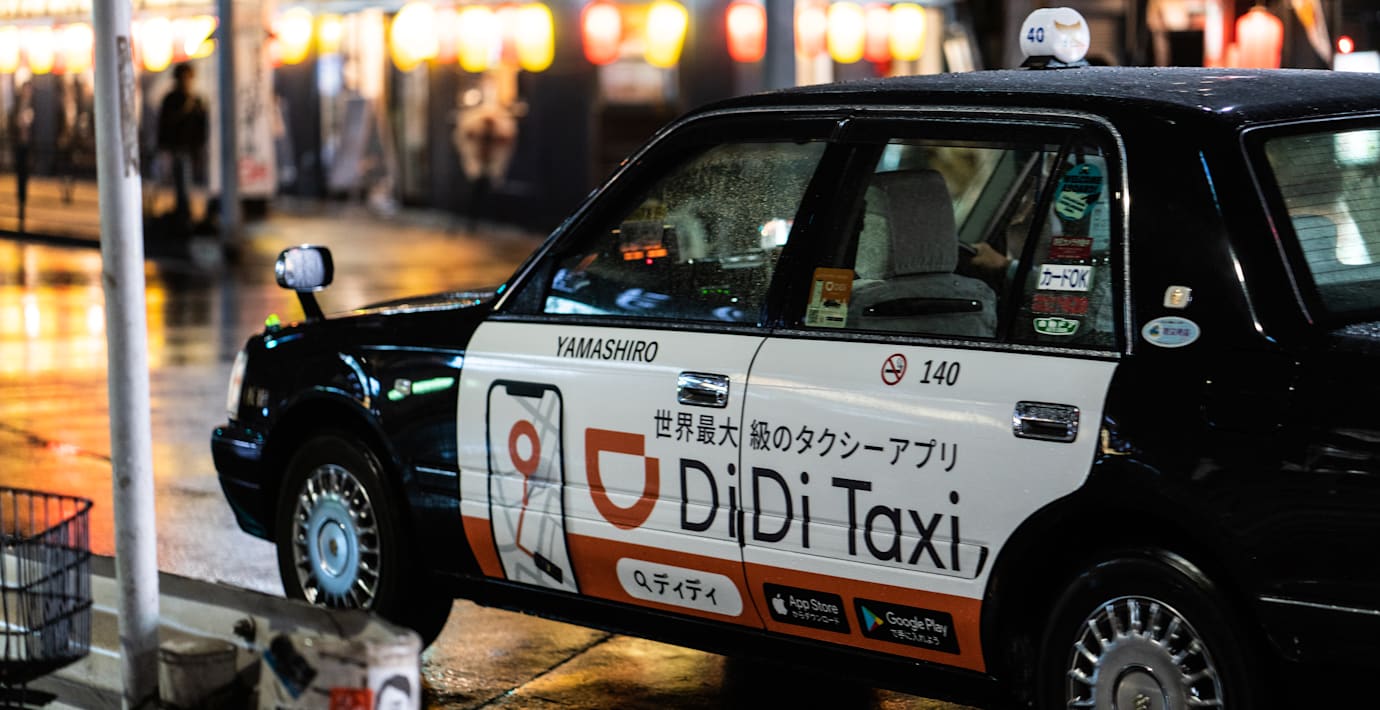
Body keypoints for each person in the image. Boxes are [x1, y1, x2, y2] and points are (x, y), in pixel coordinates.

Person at [156, 63, 208, 233]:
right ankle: (183, 213)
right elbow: (164, 124)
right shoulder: (171, 99)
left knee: (188, 182)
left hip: (191, 149)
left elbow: (201, 126)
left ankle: (184, 213)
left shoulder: (197, 100)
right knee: (181, 182)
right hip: (177, 148)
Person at [10, 80, 34, 232]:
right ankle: (20, 201)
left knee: (26, 175)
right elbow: (12, 123)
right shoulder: (17, 105)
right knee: (20, 175)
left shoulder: (34, 106)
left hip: (29, 146)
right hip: (19, 145)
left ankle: (23, 200)